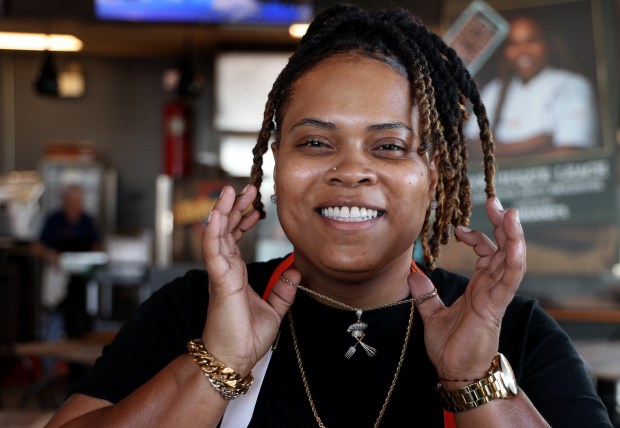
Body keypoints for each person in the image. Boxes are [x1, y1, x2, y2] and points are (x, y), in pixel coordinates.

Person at [45, 4, 612, 427]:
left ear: (433, 176)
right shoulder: (193, 311)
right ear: (276, 164)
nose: (350, 170)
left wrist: (473, 382)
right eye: (316, 143)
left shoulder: (514, 333)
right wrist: (218, 363)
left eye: (388, 146)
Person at [465, 15, 598, 158]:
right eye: (513, 44)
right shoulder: (494, 90)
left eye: (531, 41)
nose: (522, 50)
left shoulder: (572, 85)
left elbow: (570, 153)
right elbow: (471, 146)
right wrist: (538, 142)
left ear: (547, 44)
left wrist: (498, 151)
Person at [33, 184, 102, 339]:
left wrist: (96, 254)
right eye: (72, 201)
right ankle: (54, 350)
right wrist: (51, 254)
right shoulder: (54, 220)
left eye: (79, 201)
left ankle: (81, 341)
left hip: (82, 278)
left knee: (81, 315)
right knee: (56, 313)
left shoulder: (87, 221)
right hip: (58, 277)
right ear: (64, 201)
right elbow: (37, 247)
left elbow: (97, 245)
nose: (75, 205)